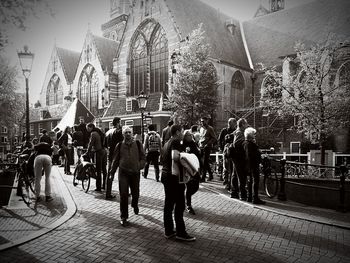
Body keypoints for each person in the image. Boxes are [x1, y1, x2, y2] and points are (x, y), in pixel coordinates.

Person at [161, 124, 196, 241]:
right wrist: (187, 157)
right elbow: (175, 157)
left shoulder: (166, 143)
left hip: (166, 176)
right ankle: (181, 232)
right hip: (174, 178)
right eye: (181, 132)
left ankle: (169, 230)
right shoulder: (176, 142)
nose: (182, 134)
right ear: (177, 133)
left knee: (169, 204)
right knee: (180, 204)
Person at [109, 126, 145, 226]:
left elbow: (143, 157)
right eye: (126, 133)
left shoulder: (138, 144)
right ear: (123, 134)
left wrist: (139, 166)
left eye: (129, 132)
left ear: (132, 133)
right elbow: (115, 160)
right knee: (123, 194)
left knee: (135, 192)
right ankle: (123, 217)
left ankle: (135, 204)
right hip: (123, 172)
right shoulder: (119, 145)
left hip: (135, 172)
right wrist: (111, 173)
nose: (128, 134)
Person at [243, 127, 265, 204]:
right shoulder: (250, 144)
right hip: (253, 165)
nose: (255, 136)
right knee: (255, 181)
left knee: (250, 181)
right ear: (250, 135)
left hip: (247, 165)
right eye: (254, 134)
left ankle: (249, 197)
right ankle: (255, 198)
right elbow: (251, 155)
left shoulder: (245, 143)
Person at [104, 116, 124, 199]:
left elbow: (104, 145)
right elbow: (122, 143)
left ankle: (108, 193)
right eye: (120, 122)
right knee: (123, 173)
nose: (121, 124)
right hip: (119, 155)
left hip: (110, 155)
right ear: (118, 122)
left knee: (110, 173)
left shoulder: (107, 132)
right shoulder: (119, 132)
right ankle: (124, 191)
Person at [182, 129, 201, 215]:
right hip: (187, 168)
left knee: (196, 186)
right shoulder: (182, 144)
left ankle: (186, 197)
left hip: (195, 167)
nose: (191, 136)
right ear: (185, 136)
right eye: (189, 135)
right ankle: (188, 205)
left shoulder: (193, 143)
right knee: (189, 186)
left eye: (191, 135)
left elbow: (197, 153)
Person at [86, 122, 107, 192]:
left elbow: (90, 144)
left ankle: (98, 187)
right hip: (104, 151)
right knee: (104, 169)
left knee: (98, 170)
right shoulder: (100, 132)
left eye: (87, 128)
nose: (87, 129)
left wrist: (87, 152)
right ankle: (104, 185)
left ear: (91, 127)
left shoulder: (93, 133)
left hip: (98, 152)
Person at [231, 118, 249, 200]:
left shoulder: (237, 132)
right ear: (242, 125)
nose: (247, 125)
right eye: (246, 124)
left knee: (235, 175)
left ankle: (234, 192)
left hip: (236, 157)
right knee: (241, 176)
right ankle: (243, 194)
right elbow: (236, 144)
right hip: (239, 157)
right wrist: (245, 141)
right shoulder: (239, 133)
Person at [218, 118, 236, 187]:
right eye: (229, 123)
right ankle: (225, 180)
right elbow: (219, 139)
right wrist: (221, 148)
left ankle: (230, 182)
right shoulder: (224, 130)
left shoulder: (235, 131)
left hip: (233, 151)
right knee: (226, 166)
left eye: (231, 123)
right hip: (226, 150)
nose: (229, 125)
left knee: (231, 167)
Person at [199, 116, 217, 182]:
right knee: (203, 162)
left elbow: (214, 138)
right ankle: (210, 174)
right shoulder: (201, 129)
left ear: (207, 121)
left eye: (203, 121)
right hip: (201, 147)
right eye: (201, 121)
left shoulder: (210, 128)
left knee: (205, 162)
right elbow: (201, 138)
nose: (202, 123)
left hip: (207, 147)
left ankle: (203, 177)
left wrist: (208, 144)